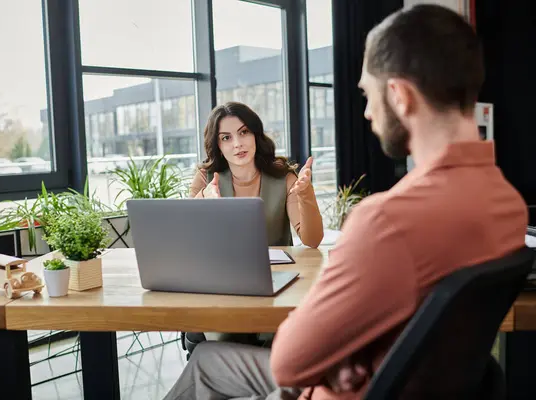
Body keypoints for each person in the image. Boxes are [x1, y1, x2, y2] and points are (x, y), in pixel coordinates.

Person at [163, 4, 528, 400]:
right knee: (208, 361)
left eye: (367, 95)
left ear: (399, 96)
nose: (369, 113)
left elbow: (289, 361)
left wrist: (342, 361)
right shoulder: (507, 206)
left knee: (206, 363)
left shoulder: (386, 221)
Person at [182, 101, 325, 353]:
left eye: (244, 132)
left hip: (276, 284)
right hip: (223, 286)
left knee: (277, 341)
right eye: (226, 137)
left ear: (256, 135)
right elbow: (188, 241)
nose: (237, 143)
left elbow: (312, 240)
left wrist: (306, 194)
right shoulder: (206, 178)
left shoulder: (284, 177)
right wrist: (203, 201)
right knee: (224, 338)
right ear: (217, 145)